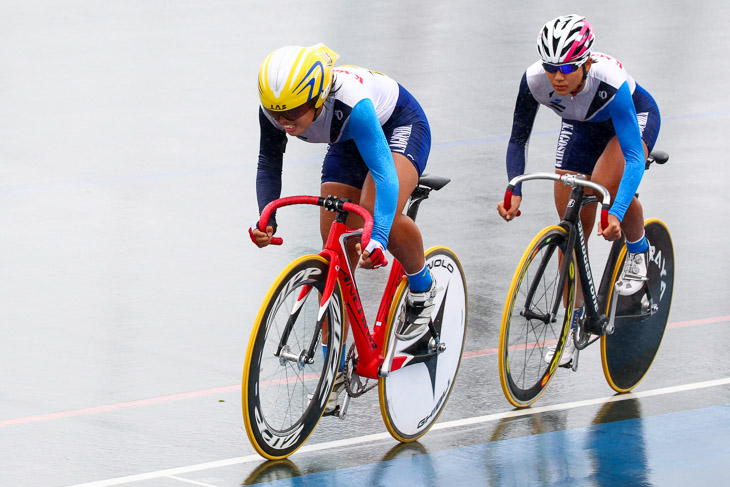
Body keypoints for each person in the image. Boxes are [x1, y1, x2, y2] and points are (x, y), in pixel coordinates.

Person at [250, 43, 436, 411]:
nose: (285, 122)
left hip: (396, 125)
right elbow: (268, 162)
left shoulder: (352, 103)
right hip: (346, 138)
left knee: (371, 210)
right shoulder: (277, 110)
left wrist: (379, 239)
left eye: (295, 113)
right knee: (334, 250)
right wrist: (265, 217)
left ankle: (422, 288)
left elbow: (384, 176)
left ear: (318, 98)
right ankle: (331, 368)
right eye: (277, 113)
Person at [496, 15, 661, 365]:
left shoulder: (609, 83)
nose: (558, 76)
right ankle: (576, 321)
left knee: (606, 186)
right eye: (551, 66)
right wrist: (515, 187)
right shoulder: (534, 81)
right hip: (582, 124)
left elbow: (633, 158)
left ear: (586, 62)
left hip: (630, 120)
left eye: (568, 67)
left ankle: (637, 252)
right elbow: (518, 138)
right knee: (571, 225)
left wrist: (614, 212)